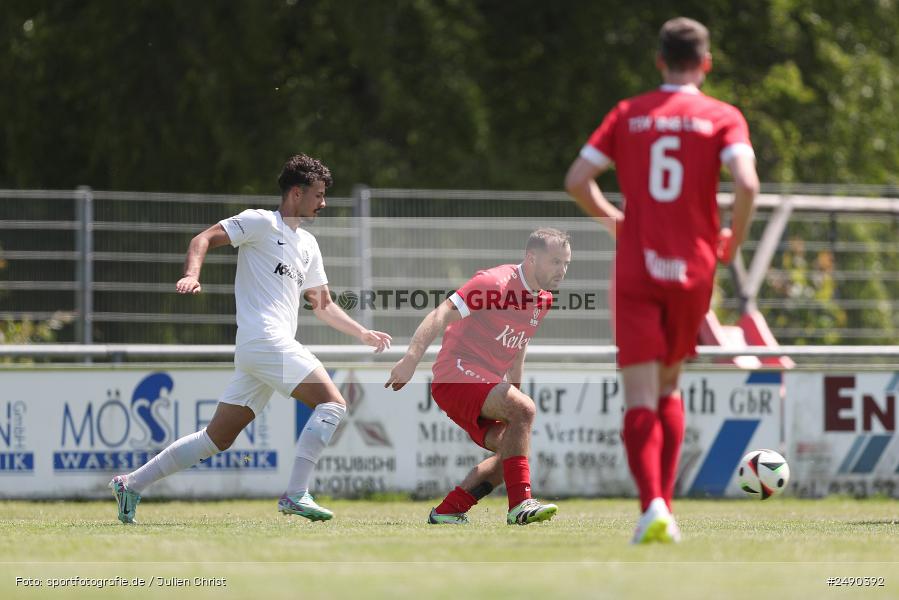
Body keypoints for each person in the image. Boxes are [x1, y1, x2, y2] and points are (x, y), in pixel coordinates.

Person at [109, 154, 392, 524]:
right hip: (265, 340)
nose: (323, 203)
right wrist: (192, 275)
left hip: (258, 351)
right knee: (333, 405)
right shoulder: (259, 222)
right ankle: (296, 494)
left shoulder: (307, 245)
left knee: (216, 439)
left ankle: (130, 483)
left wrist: (362, 333)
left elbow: (321, 304)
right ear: (296, 192)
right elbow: (203, 238)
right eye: (318, 195)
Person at [564, 17, 759, 543]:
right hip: (693, 269)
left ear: (659, 61)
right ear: (706, 63)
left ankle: (653, 506)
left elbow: (577, 180)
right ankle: (663, 507)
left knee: (640, 395)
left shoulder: (630, 114)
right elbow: (747, 182)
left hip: (637, 266)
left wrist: (615, 223)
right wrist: (730, 243)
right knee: (670, 387)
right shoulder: (722, 116)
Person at [385, 228, 571, 525]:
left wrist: (515, 389)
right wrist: (410, 359)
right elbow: (440, 314)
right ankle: (521, 505)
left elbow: (520, 343)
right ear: (531, 258)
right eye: (555, 262)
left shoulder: (543, 299)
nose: (562, 270)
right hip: (455, 374)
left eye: (566, 264)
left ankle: (448, 510)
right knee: (525, 410)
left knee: (511, 450)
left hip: (483, 381)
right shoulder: (494, 283)